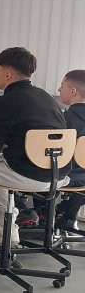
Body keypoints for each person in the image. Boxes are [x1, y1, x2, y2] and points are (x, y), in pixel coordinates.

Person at [0, 47, 69, 246]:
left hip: (29, 174)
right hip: (57, 175)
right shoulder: (47, 98)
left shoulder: (6, 101)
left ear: (7, 73)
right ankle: (6, 228)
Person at [55, 70, 85, 226]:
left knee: (42, 169)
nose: (59, 89)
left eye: (61, 86)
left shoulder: (65, 120)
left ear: (73, 91)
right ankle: (67, 216)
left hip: (67, 177)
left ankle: (43, 216)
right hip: (83, 179)